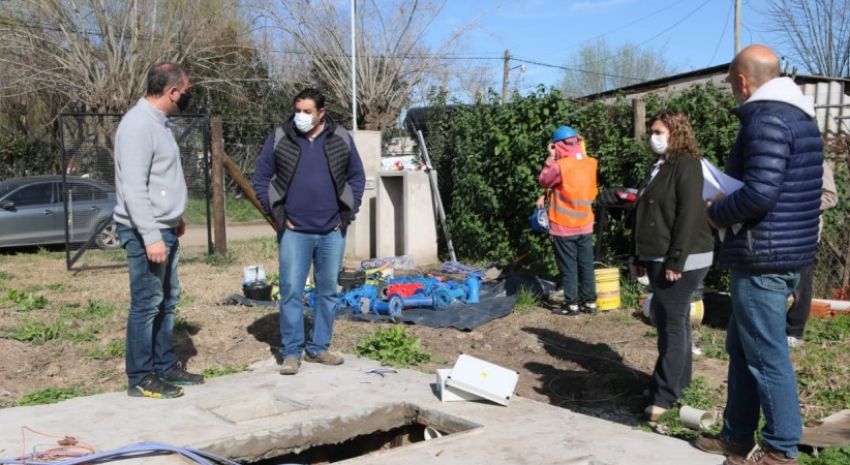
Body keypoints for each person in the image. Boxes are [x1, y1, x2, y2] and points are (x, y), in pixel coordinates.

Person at [696, 45, 823, 465]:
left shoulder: (765, 116)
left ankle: (781, 449)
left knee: (767, 355)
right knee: (742, 347)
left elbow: (762, 192)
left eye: (733, 83)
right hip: (785, 253)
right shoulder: (799, 115)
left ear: (743, 81)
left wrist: (716, 213)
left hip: (762, 257)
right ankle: (735, 435)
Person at [253, 88, 365, 376]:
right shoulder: (281, 136)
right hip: (294, 232)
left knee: (327, 292)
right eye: (297, 110)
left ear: (321, 113)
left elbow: (356, 176)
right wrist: (278, 215)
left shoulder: (340, 138)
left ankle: (318, 347)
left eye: (306, 111)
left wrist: (347, 213)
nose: (300, 116)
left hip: (332, 231)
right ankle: (291, 352)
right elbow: (262, 177)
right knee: (290, 291)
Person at [114, 63, 204, 399]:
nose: (188, 96)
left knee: (166, 301)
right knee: (146, 303)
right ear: (172, 91)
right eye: (187, 90)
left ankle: (164, 365)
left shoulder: (158, 124)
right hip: (145, 232)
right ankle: (140, 376)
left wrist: (173, 218)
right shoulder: (138, 125)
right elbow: (134, 187)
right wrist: (151, 235)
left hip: (164, 227)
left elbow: (159, 179)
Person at [630, 110, 714, 422]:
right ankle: (678, 383)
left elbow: (689, 214)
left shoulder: (687, 165)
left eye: (659, 131)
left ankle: (663, 395)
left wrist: (676, 259)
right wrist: (637, 256)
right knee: (674, 320)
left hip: (683, 258)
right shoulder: (658, 167)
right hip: (658, 255)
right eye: (652, 131)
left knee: (669, 322)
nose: (653, 137)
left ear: (676, 132)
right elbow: (642, 214)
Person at [537, 126, 598, 316]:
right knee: (586, 264)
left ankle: (572, 305)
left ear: (557, 145)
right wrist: (580, 144)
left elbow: (544, 181)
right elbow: (580, 156)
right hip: (585, 224)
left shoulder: (560, 166)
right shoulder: (590, 163)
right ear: (577, 142)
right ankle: (590, 303)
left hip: (564, 225)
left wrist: (550, 158)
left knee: (569, 266)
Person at [786, 160, 838, 349]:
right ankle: (774, 328)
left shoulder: (817, 162)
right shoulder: (781, 158)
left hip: (805, 235)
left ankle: (794, 331)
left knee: (801, 286)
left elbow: (831, 197)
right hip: (778, 234)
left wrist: (799, 204)